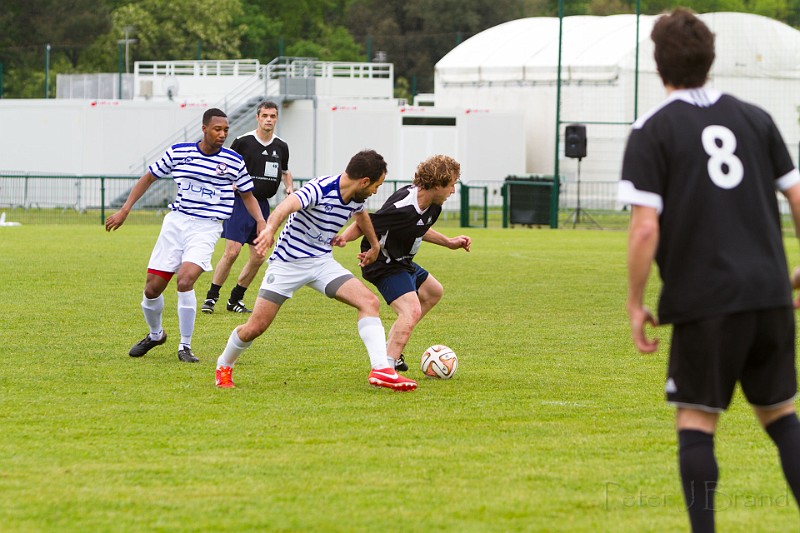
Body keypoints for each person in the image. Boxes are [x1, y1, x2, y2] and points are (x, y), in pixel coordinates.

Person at [619, 9, 800, 532]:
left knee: (697, 421)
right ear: (710, 59)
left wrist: (634, 303)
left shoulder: (652, 130)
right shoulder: (755, 117)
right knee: (781, 417)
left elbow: (645, 229)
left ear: (658, 64)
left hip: (706, 300)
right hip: (768, 293)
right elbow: (795, 193)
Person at [214, 149, 417, 391]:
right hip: (287, 263)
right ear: (364, 181)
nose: (375, 191)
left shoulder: (356, 197)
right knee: (255, 327)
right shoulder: (320, 188)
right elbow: (285, 206)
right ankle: (224, 365)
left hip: (321, 263)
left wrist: (374, 245)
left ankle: (381, 369)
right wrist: (269, 230)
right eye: (376, 185)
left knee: (369, 302)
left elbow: (361, 216)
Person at [106, 108, 266, 363]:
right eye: (217, 129)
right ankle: (156, 334)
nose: (223, 134)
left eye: (226, 130)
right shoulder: (179, 152)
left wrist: (261, 222)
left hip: (207, 227)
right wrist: (125, 209)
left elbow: (247, 195)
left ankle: (185, 346)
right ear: (204, 129)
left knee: (186, 279)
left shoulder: (234, 161)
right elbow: (148, 177)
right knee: (152, 289)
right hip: (176, 223)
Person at [335, 154, 471, 371]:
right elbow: (366, 223)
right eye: (452, 185)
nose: (453, 191)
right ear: (437, 184)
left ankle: (392, 349)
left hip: (402, 261)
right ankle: (386, 367)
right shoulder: (403, 206)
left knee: (433, 292)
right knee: (411, 310)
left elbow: (419, 227)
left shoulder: (433, 205)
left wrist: (449, 242)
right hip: (383, 263)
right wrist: (343, 239)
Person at [202, 101, 293, 314]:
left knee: (259, 256)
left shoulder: (281, 146)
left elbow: (285, 172)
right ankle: (211, 297)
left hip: (262, 206)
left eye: (272, 116)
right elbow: (224, 164)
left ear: (276, 118)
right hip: (241, 202)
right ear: (257, 117)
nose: (269, 119)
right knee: (232, 251)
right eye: (265, 116)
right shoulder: (243, 142)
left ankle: (235, 299)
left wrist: (289, 188)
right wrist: (228, 183)